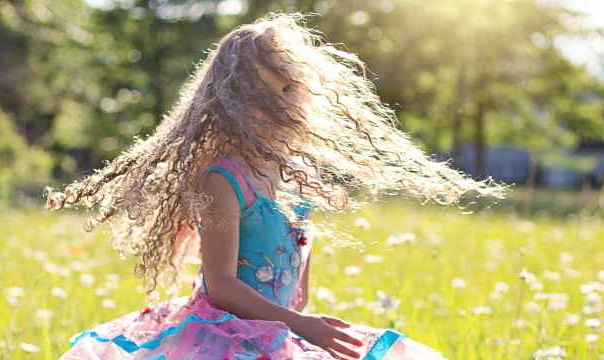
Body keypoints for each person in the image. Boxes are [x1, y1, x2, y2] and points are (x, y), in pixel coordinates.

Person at [46, 12, 504, 359]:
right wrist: (298, 323)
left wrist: (299, 320)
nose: (282, 107)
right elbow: (222, 285)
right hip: (222, 336)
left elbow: (296, 264)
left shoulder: (294, 174)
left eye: (290, 91)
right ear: (232, 103)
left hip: (276, 330)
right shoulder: (220, 180)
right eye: (265, 96)